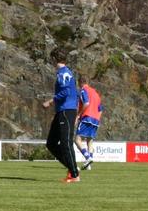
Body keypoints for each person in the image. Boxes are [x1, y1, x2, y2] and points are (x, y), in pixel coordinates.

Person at [42, 50, 80, 183]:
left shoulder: (63, 73)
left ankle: (74, 174)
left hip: (66, 111)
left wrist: (51, 101)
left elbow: (67, 91)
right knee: (51, 143)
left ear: (54, 59)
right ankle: (72, 167)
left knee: (66, 142)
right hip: (62, 111)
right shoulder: (65, 73)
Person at [74, 77, 103, 171]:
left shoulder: (83, 90)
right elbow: (101, 110)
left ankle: (88, 158)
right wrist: (97, 119)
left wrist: (78, 115)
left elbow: (86, 103)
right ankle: (88, 165)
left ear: (80, 83)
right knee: (89, 141)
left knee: (77, 139)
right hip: (96, 119)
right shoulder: (96, 93)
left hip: (87, 117)